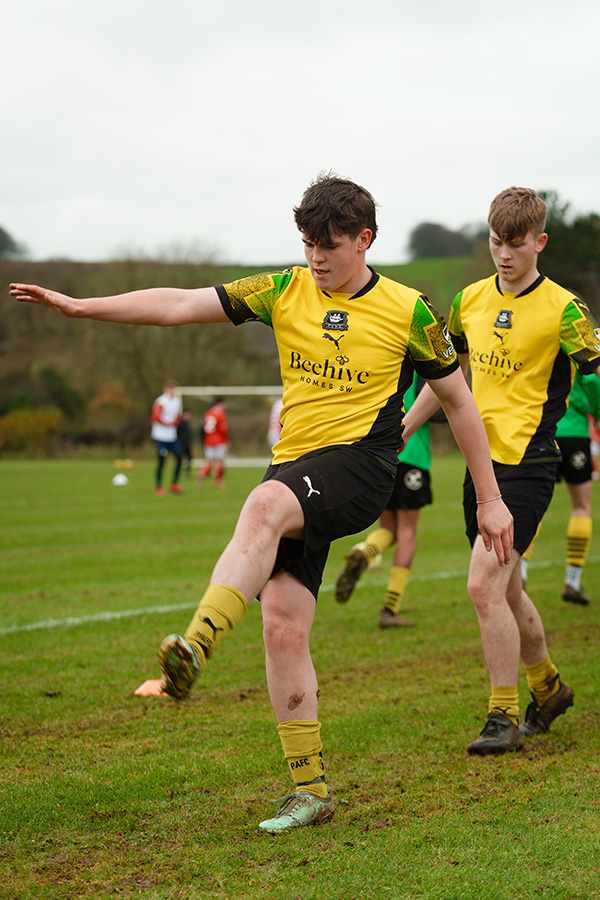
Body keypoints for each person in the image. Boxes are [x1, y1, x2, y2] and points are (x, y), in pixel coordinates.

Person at [9, 174, 512, 833]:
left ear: (365, 239)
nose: (316, 259)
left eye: (330, 246)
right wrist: (81, 307)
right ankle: (311, 790)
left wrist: (490, 499)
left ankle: (196, 646)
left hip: (361, 467)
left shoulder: (409, 310)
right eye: (308, 244)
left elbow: (459, 402)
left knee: (263, 505)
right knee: (281, 624)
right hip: (297, 468)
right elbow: (179, 304)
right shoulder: (282, 289)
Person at [403, 186, 600, 757]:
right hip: (480, 467)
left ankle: (503, 716)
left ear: (540, 242)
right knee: (509, 591)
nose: (504, 255)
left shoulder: (565, 310)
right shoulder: (467, 301)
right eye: (496, 242)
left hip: (530, 464)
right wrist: (405, 427)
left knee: (482, 584)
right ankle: (549, 687)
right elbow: (450, 382)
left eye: (515, 244)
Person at [334, 371, 432, 628]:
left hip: (381, 454)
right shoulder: (421, 360)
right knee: (407, 532)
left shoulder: (383, 360)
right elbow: (440, 399)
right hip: (412, 454)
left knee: (389, 527)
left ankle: (365, 552)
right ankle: (390, 607)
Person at [521, 370, 600, 605]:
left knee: (534, 506)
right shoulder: (576, 349)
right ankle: (572, 581)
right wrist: (597, 413)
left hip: (544, 432)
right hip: (575, 433)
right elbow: (592, 379)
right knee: (581, 507)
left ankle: (521, 570)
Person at [150, 380, 183, 496]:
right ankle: (158, 486)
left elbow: (177, 417)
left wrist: (175, 422)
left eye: (174, 389)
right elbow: (155, 417)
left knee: (180, 458)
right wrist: (167, 423)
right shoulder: (161, 401)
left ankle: (174, 484)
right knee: (162, 460)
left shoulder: (177, 401)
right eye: (170, 388)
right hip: (161, 436)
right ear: (165, 389)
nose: (172, 391)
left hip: (172, 436)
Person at [196, 397, 230, 487]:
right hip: (219, 440)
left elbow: (202, 427)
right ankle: (218, 480)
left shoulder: (208, 413)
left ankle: (201, 474)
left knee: (209, 461)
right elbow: (223, 429)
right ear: (219, 404)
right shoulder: (221, 414)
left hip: (208, 440)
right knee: (220, 461)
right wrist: (226, 439)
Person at [177, 409, 194, 478]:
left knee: (189, 458)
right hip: (181, 444)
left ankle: (188, 472)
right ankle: (178, 473)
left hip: (187, 444)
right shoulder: (179, 423)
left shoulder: (187, 424)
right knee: (180, 459)